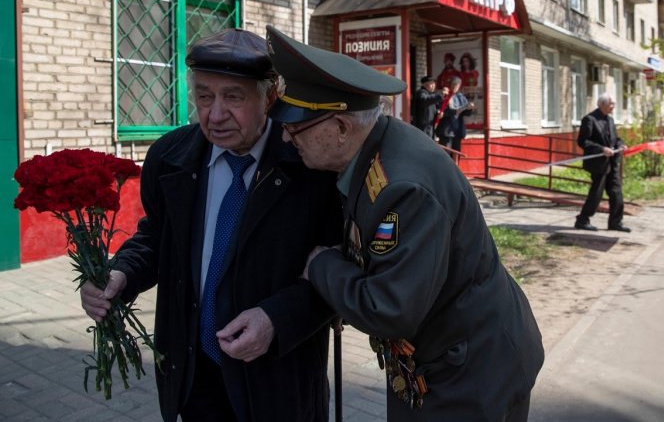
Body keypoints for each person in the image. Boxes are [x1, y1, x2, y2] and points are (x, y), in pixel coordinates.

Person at [265, 25, 544, 422]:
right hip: (444, 359)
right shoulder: (373, 150)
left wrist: (322, 268)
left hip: (470, 374)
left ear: (341, 128)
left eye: (295, 129)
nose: (289, 138)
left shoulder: (403, 187)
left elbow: (389, 308)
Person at [80, 28, 343, 422]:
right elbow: (156, 237)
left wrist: (277, 318)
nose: (215, 115)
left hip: (276, 380)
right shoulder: (170, 158)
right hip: (193, 373)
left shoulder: (310, 167)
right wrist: (120, 273)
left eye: (233, 97)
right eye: (204, 96)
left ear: (270, 97)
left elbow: (337, 270)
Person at [575, 93, 631, 232]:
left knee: (616, 192)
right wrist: (601, 149)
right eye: (611, 104)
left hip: (612, 163)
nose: (613, 106)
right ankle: (582, 220)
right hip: (598, 163)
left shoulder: (610, 120)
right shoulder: (590, 119)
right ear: (602, 104)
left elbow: (615, 139)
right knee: (596, 194)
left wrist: (621, 144)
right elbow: (583, 141)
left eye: (614, 104)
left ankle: (615, 223)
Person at [435, 76, 474, 152]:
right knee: (445, 154)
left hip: (457, 130)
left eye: (456, 85)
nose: (453, 86)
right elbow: (440, 110)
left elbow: (465, 113)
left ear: (459, 86)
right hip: (446, 130)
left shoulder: (461, 97)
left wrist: (470, 109)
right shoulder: (444, 95)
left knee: (456, 153)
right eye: (452, 84)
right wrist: (453, 112)